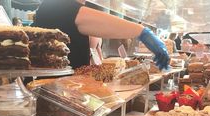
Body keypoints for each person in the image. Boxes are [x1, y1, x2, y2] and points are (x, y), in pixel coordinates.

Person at [33, 0, 169, 69]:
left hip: (69, 91)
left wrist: (141, 32)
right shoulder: (55, 5)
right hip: (48, 94)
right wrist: (142, 32)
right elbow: (78, 16)